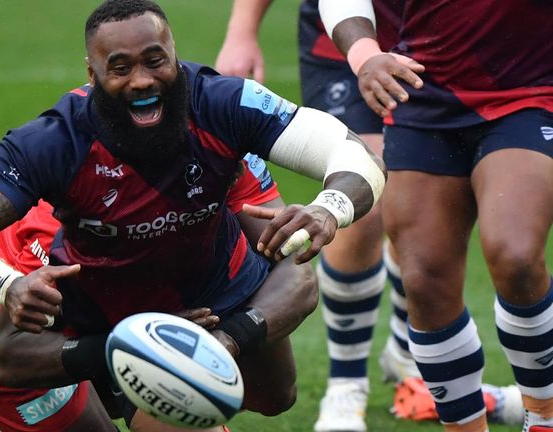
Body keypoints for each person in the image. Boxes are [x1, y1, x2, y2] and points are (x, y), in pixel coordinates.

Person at [0, 0, 387, 429]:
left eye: (155, 61)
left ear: (175, 56)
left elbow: (335, 182)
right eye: (119, 68)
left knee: (273, 392)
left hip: (150, 290)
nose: (141, 80)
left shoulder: (223, 113)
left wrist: (327, 211)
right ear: (92, 75)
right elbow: (12, 351)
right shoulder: (56, 149)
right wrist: (11, 286)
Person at [216, 1, 525, 431]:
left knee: (424, 205)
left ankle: (407, 356)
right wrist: (242, 29)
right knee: (363, 203)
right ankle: (346, 386)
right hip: (344, 40)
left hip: (450, 40)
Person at [0, 155, 314, 432]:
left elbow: (295, 271)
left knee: (272, 392)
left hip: (124, 306)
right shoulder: (68, 241)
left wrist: (230, 339)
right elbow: (14, 356)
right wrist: (136, 345)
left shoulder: (219, 147)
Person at [318, 0, 553, 430]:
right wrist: (365, 56)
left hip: (529, 90)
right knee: (424, 278)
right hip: (421, 91)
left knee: (514, 253)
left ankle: (543, 419)